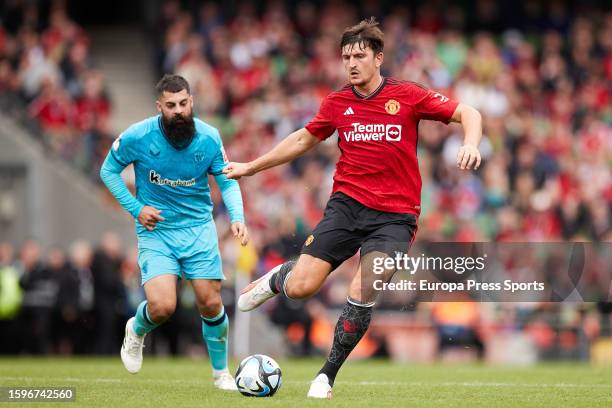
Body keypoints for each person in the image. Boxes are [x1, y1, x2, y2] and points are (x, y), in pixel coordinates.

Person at [224, 18, 482, 399]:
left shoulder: (408, 95)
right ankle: (279, 278)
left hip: (395, 217)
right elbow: (301, 140)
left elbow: (469, 113)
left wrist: (471, 142)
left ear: (378, 58)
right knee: (301, 287)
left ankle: (326, 375)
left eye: (359, 56)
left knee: (365, 287)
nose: (351, 63)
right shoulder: (337, 102)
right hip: (346, 207)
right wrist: (250, 167)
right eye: (346, 57)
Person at [100, 74, 248, 391]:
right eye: (171, 105)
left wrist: (236, 216)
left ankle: (221, 374)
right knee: (163, 306)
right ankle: (136, 330)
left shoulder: (209, 138)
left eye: (183, 103)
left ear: (191, 101)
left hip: (198, 229)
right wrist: (136, 208)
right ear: (160, 107)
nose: (178, 110)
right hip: (157, 231)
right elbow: (107, 171)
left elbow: (227, 179)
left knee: (210, 302)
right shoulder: (138, 136)